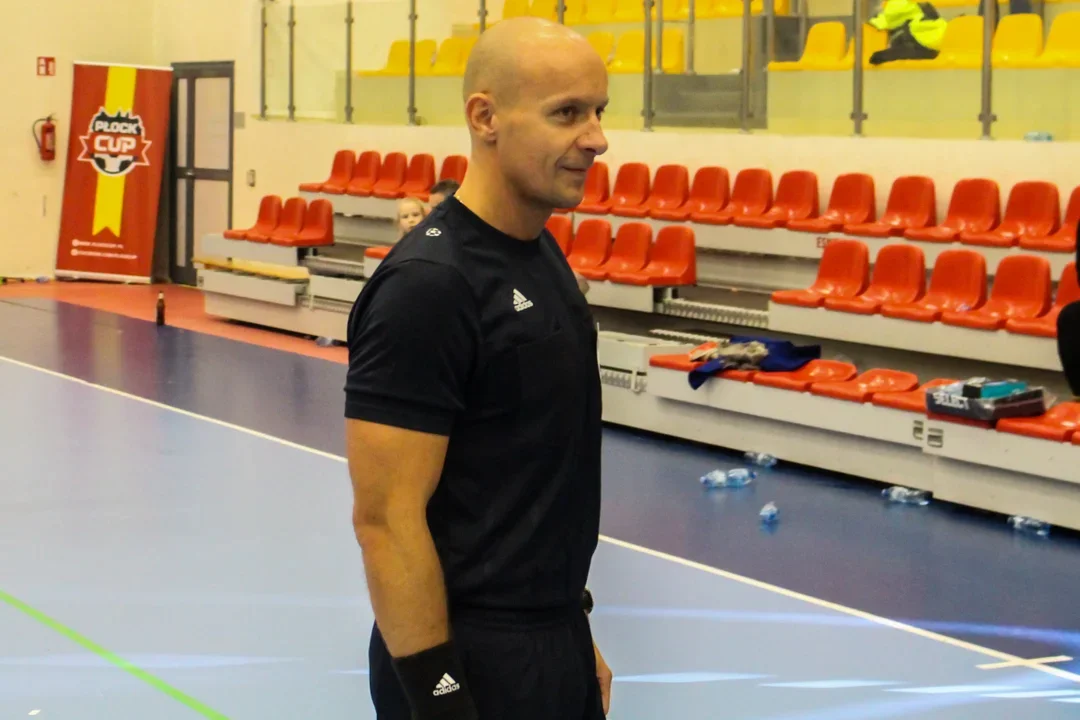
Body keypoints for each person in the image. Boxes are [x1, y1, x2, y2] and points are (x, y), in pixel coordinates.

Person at [344, 16, 611, 720]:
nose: (596, 139)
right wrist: (441, 698)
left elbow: (535, 484)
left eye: (598, 112)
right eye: (567, 114)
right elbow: (385, 520)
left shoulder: (541, 254)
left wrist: (572, 631)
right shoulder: (429, 287)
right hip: (467, 660)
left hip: (550, 640)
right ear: (485, 117)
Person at [867, 0, 946, 65]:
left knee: (882, 54)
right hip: (933, 43)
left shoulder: (900, 3)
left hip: (919, 42)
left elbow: (889, 22)